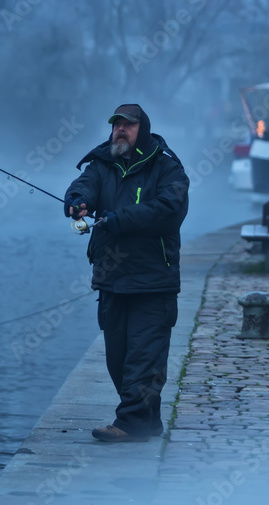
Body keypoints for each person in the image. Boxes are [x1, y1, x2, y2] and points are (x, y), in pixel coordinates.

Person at [63, 103, 190, 442]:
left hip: (153, 281)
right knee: (118, 359)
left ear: (142, 130)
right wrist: (77, 200)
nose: (121, 130)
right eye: (117, 124)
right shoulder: (102, 163)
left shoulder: (167, 167)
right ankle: (147, 421)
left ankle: (131, 423)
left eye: (128, 125)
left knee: (144, 357)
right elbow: (84, 184)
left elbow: (169, 210)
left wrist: (122, 218)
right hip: (112, 280)